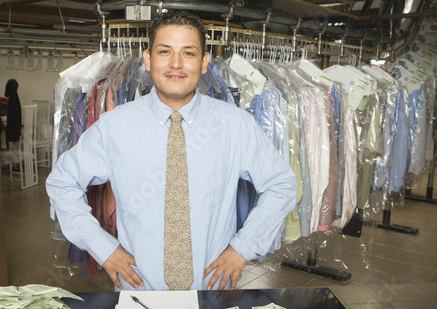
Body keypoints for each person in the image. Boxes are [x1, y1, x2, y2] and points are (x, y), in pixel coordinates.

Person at [46, 10, 297, 291]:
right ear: (148, 59)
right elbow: (62, 182)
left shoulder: (236, 125)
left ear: (204, 62)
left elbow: (281, 185)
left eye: (188, 53)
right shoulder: (115, 126)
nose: (176, 64)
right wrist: (102, 247)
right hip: (139, 292)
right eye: (165, 51)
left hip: (212, 293)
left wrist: (243, 247)